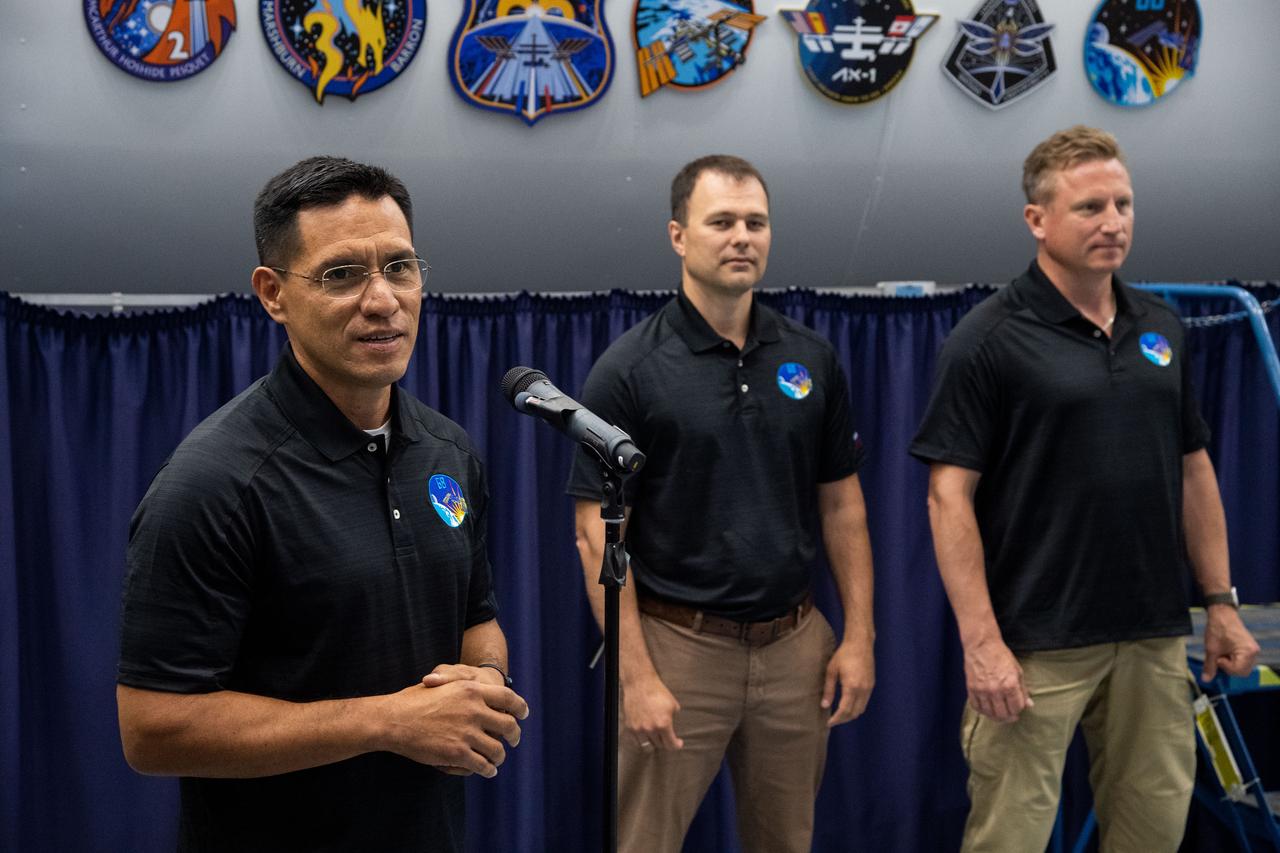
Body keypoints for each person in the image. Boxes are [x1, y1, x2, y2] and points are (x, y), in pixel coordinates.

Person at [116, 156, 529, 852]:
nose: (383, 299)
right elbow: (153, 727)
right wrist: (387, 721)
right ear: (273, 293)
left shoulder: (447, 450)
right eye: (343, 275)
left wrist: (481, 680)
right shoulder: (213, 482)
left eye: (400, 267)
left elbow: (477, 617)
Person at [910, 126, 1260, 852]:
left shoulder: (1159, 326)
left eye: (1124, 204)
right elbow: (948, 498)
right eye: (1090, 207)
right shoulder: (988, 339)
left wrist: (1219, 603)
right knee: (1009, 838)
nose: (1113, 222)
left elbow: (1195, 468)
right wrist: (981, 644)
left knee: (1152, 832)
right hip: (1035, 643)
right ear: (1037, 220)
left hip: (1154, 635)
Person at [566, 154, 876, 853]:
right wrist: (636, 676)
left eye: (756, 222)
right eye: (722, 222)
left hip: (795, 645)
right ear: (679, 236)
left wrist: (859, 636)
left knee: (786, 841)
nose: (742, 236)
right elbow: (595, 534)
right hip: (678, 647)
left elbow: (843, 509)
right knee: (643, 840)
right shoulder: (629, 370)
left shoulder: (812, 358)